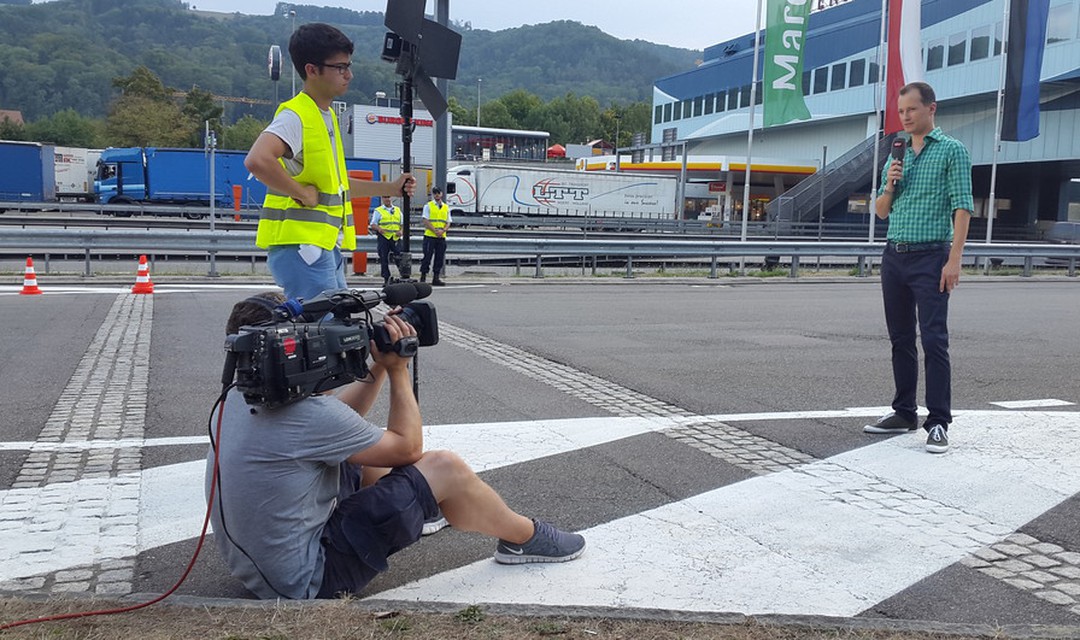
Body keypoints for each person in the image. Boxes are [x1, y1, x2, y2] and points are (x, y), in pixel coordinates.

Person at [208, 292, 586, 600]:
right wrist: (398, 370)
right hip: (308, 583)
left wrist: (375, 366)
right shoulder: (304, 416)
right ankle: (525, 539)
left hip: (262, 571)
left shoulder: (236, 399)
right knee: (444, 467)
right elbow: (407, 449)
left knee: (362, 445)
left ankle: (408, 511)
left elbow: (335, 423)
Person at [244, 23, 415, 302]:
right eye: (340, 67)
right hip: (303, 247)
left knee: (334, 328)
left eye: (348, 65)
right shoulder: (297, 115)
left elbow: (337, 186)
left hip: (320, 246)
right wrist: (300, 193)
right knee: (323, 332)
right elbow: (257, 159)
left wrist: (391, 189)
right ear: (312, 70)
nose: (349, 74)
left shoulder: (326, 116)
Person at [864, 82, 973, 454]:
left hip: (931, 257)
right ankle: (904, 411)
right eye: (901, 111)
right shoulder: (896, 154)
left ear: (931, 109)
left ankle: (939, 421)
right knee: (899, 338)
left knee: (933, 339)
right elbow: (880, 211)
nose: (905, 117)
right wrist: (891, 184)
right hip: (894, 255)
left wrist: (953, 259)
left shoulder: (952, 152)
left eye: (912, 110)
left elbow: (962, 206)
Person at [419, 187, 451, 286]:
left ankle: (436, 277)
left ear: (441, 194)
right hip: (430, 236)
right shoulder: (428, 206)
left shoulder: (446, 207)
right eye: (435, 193)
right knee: (427, 257)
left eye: (438, 193)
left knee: (439, 257)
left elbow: (448, 221)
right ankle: (423, 276)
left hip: (441, 237)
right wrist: (435, 231)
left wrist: (443, 230)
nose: (437, 195)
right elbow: (425, 220)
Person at [370, 196, 403, 286]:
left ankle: (403, 276)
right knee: (384, 258)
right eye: (385, 197)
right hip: (384, 237)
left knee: (399, 257)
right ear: (382, 199)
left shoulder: (397, 210)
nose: (387, 199)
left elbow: (402, 224)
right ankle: (386, 278)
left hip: (395, 237)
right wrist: (379, 229)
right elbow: (373, 224)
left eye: (388, 197)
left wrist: (401, 231)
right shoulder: (378, 210)